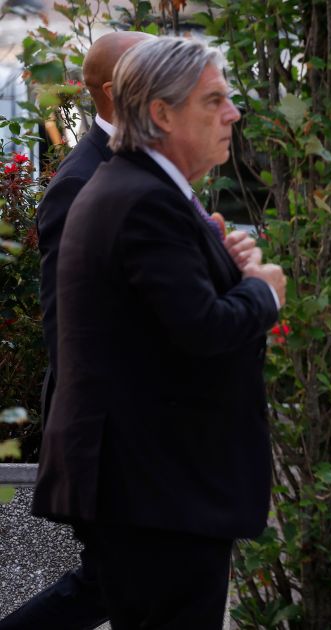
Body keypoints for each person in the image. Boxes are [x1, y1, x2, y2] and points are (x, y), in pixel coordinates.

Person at [27, 36, 286, 628]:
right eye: (213, 100)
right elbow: (199, 329)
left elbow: (158, 314)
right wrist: (263, 291)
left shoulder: (139, 186)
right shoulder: (139, 195)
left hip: (154, 483)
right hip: (156, 484)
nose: (233, 114)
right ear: (162, 113)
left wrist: (223, 267)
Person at [0, 30, 153, 630]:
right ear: (117, 92)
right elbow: (67, 327)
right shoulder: (81, 180)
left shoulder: (136, 165)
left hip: (133, 433)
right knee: (109, 585)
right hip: (107, 435)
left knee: (123, 586)